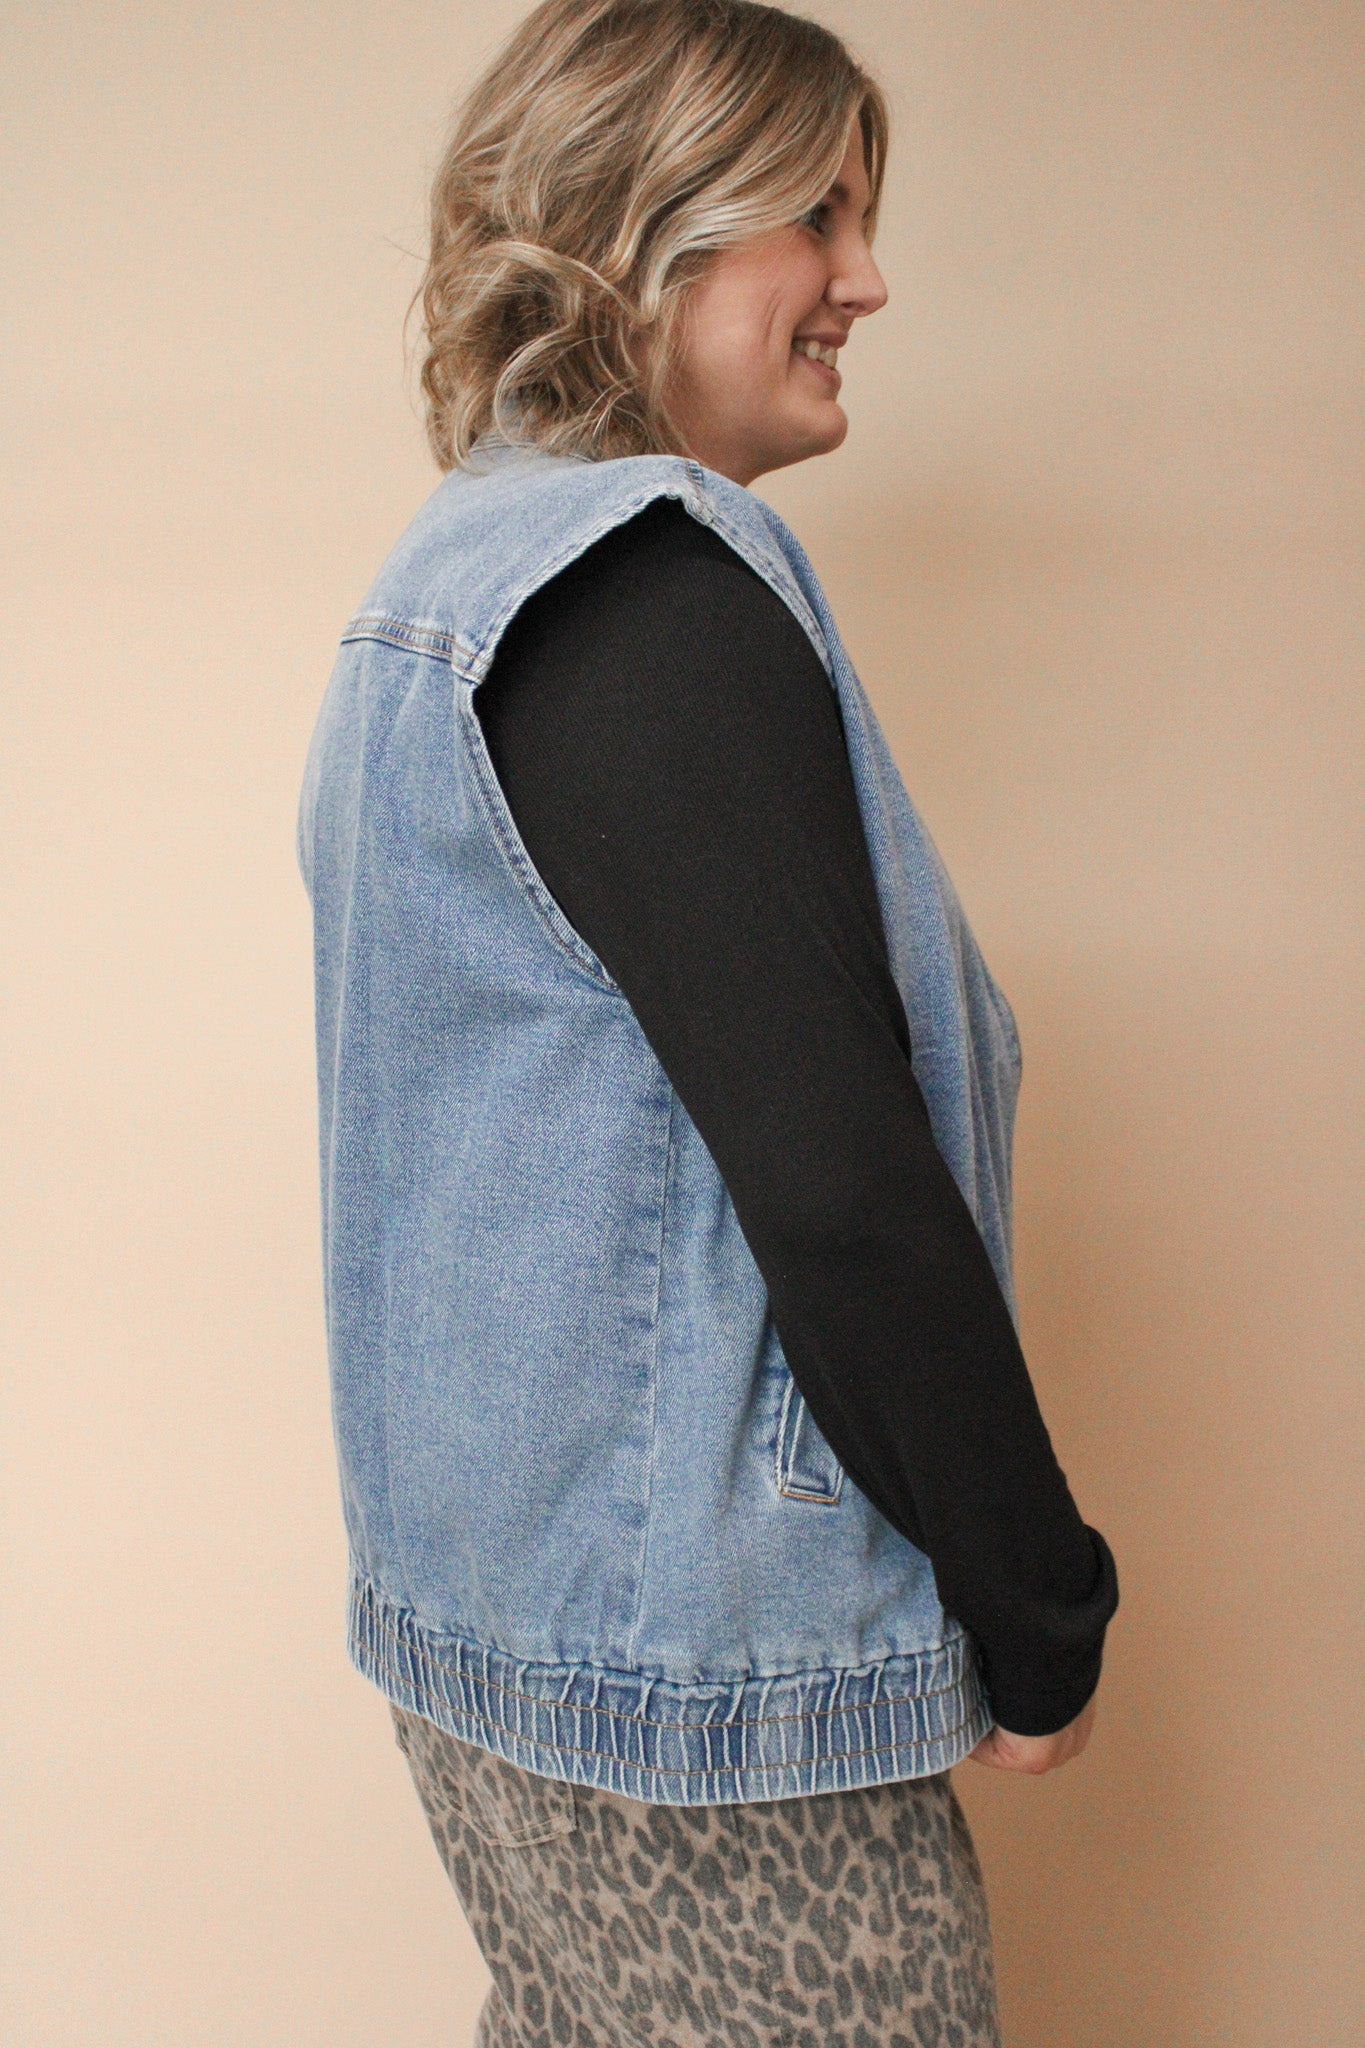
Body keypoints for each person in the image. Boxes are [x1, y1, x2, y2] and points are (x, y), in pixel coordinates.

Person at [296, 3, 1120, 2042]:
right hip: (699, 1693)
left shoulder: (437, 589)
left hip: (503, 1647)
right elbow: (837, 1181)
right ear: (639, 221)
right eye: (813, 215)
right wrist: (1036, 1599)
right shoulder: (646, 598)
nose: (867, 278)